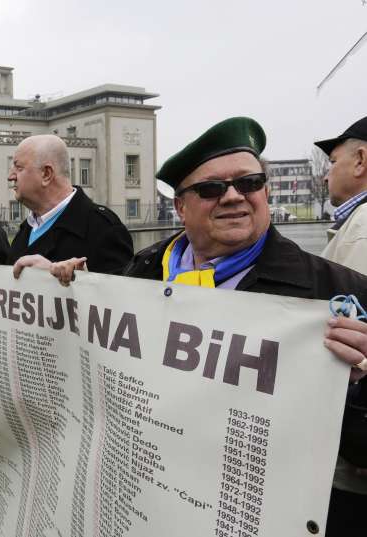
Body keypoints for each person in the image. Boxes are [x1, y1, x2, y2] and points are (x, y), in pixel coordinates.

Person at [47, 117, 367, 536]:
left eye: (249, 183)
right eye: (212, 188)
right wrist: (49, 286)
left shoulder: (338, 294)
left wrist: (360, 384)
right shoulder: (140, 275)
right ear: (180, 206)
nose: (234, 196)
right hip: (151, 504)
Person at [0, 134, 133, 276]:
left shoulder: (103, 228)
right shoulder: (28, 228)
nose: (10, 176)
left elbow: (122, 302)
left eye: (18, 168)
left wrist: (69, 277)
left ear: (46, 174)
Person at [315, 118, 367, 534]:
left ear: (361, 160)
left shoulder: (362, 230)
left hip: (354, 459)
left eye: (332, 161)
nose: (326, 172)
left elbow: (347, 334)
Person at [315, 117, 367, 274]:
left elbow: (346, 298)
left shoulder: (363, 225)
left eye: (333, 162)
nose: (325, 178)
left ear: (360, 161)